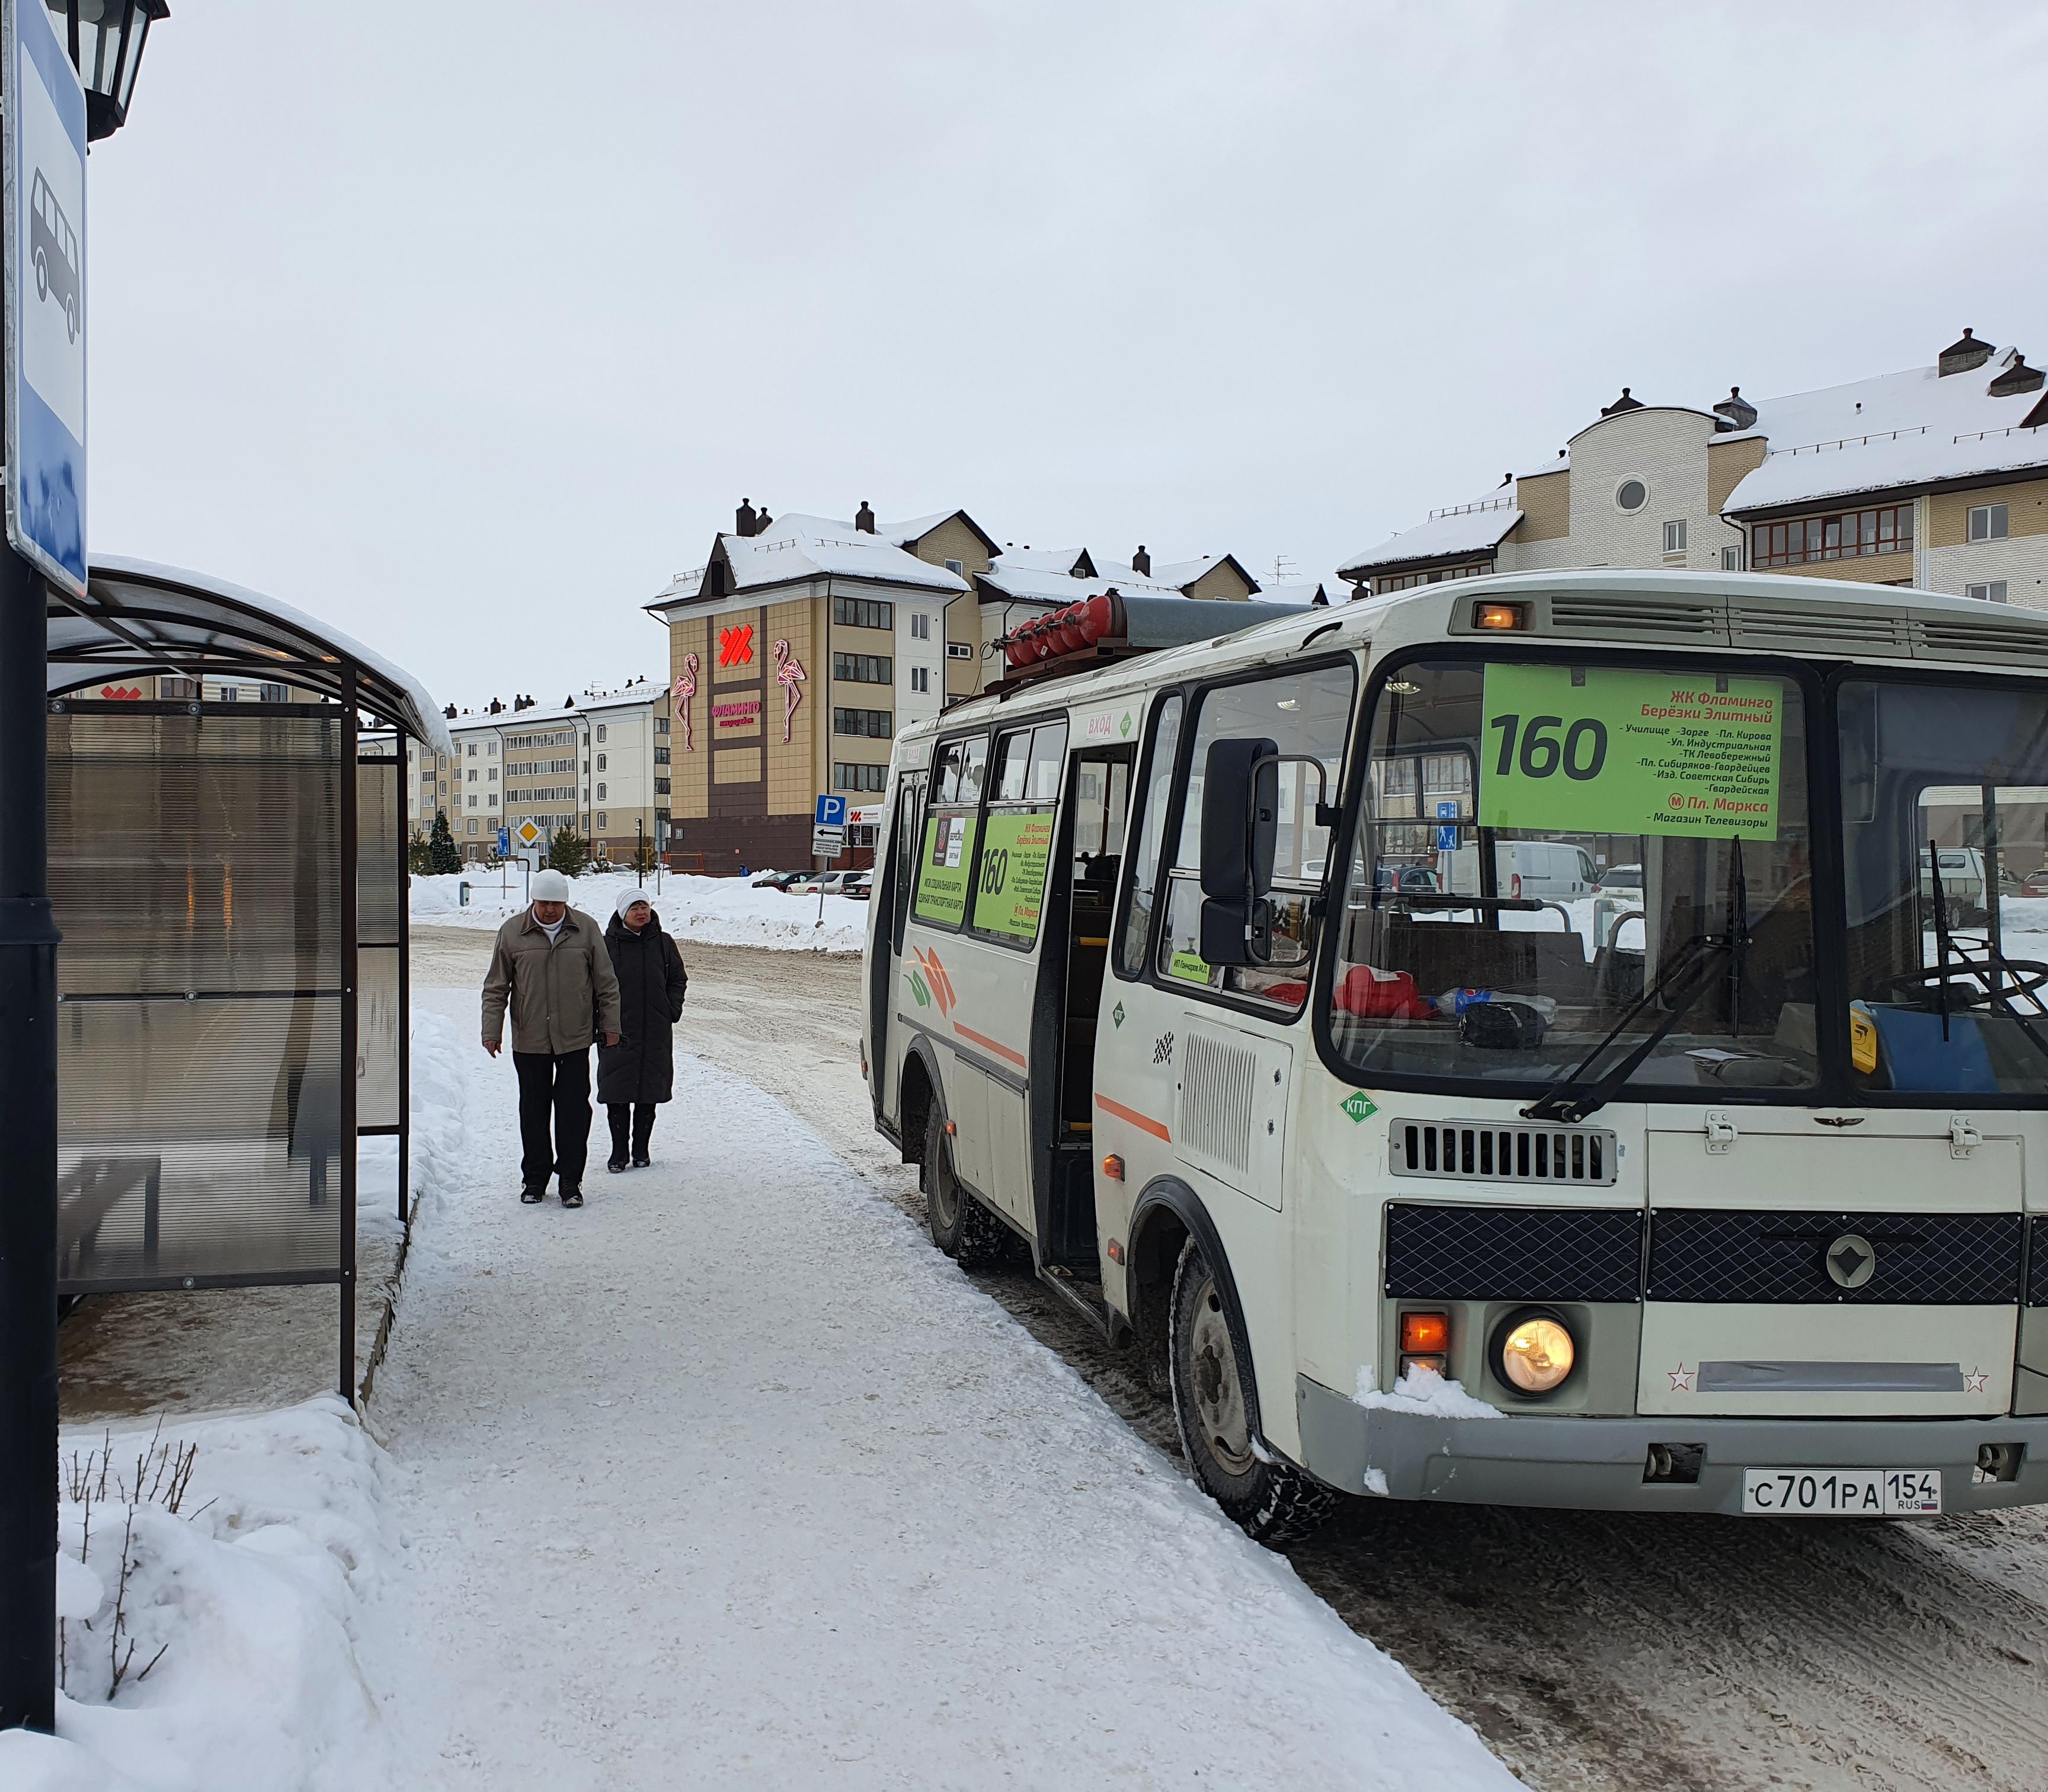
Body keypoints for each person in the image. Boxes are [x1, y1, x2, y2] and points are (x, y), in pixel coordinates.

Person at [481, 867, 621, 1208]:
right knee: (534, 1111)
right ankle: (535, 1179)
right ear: (534, 901)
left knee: (574, 1112)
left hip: (574, 1039)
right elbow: (496, 986)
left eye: (556, 904)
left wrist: (611, 1026)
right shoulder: (513, 932)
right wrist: (491, 1030)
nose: (549, 910)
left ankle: (571, 1182)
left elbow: (607, 983)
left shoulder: (585, 929)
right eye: (544, 903)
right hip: (530, 1040)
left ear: (566, 903)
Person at [597, 889, 688, 1171]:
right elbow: (592, 987)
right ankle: (619, 1153)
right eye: (635, 908)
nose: (641, 913)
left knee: (650, 1090)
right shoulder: (605, 945)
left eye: (645, 907)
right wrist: (600, 1021)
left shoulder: (663, 943)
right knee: (617, 1090)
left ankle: (641, 1150)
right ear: (623, 913)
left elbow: (677, 979)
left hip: (655, 1029)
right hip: (618, 1030)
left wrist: (671, 1010)